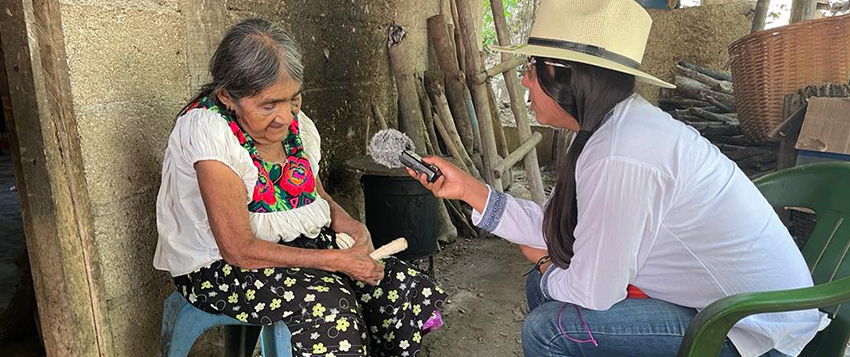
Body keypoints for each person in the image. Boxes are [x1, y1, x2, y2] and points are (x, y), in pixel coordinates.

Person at [407, 1, 829, 356]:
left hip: (751, 329)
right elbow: (561, 227)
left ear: (564, 73)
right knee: (548, 287)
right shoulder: (609, 129)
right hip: (727, 306)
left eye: (532, 67)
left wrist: (543, 261)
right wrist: (470, 189)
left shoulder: (623, 152)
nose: (524, 80)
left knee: (548, 327)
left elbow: (593, 291)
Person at [153, 19, 446, 357]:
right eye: (269, 105)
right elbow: (238, 248)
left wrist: (348, 223)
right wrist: (335, 261)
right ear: (227, 97)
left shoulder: (295, 125)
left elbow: (314, 193)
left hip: (295, 247)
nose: (284, 116)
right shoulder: (209, 131)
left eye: (294, 99)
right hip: (222, 269)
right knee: (330, 307)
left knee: (394, 283)